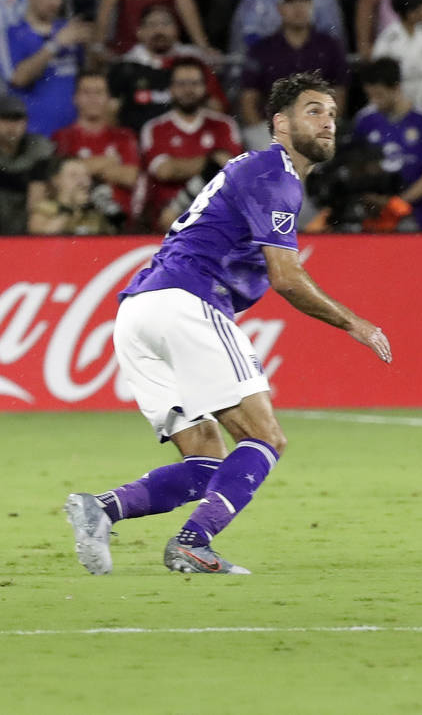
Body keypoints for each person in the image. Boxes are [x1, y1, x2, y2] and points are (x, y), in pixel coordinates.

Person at [64, 70, 392, 576]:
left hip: (138, 313)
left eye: (331, 113)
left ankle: (101, 509)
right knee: (266, 437)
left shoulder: (259, 171)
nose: (328, 122)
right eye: (313, 111)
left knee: (207, 463)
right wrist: (356, 324)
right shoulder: (273, 173)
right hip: (185, 303)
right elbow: (285, 277)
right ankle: (194, 544)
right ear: (280, 123)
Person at [238, 0, 349, 148]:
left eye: (304, 2)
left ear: (311, 6)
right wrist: (268, 134)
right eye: (291, 2)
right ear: (280, 8)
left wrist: (324, 126)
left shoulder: (330, 46)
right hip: (272, 129)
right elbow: (248, 99)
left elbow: (340, 92)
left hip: (318, 127)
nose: (298, 8)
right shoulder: (261, 49)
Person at [139, 57, 242, 232]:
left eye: (194, 83)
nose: (188, 90)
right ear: (171, 88)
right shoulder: (155, 128)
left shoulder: (224, 125)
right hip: (165, 224)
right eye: (181, 84)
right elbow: (165, 171)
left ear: (204, 87)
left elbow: (231, 173)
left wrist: (181, 166)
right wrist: (211, 164)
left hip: (215, 221)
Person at [353, 56, 422, 231]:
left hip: (418, 212)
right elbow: (355, 167)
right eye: (370, 96)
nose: (375, 101)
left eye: (379, 95)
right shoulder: (364, 120)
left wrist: (398, 202)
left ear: (396, 87)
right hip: (374, 214)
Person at [108, 4, 227, 133]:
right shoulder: (125, 66)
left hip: (191, 139)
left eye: (166, 23)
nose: (159, 30)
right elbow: (109, 112)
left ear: (177, 29)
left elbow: (216, 107)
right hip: (138, 143)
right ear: (139, 32)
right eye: (152, 24)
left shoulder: (194, 62)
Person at [6, 0, 90, 137]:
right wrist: (56, 44)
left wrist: (92, 46)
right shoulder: (13, 33)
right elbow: (18, 78)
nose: (56, 2)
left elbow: (87, 73)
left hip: (73, 134)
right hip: (34, 134)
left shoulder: (68, 29)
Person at [52, 70, 140, 227]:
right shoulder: (62, 137)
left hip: (121, 224)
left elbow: (130, 176)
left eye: (99, 92)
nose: (93, 99)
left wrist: (85, 168)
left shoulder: (125, 136)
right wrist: (110, 161)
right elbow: (63, 177)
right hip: (75, 223)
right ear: (75, 98)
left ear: (109, 98)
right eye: (86, 92)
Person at [372, 0, 422, 106]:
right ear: (406, 12)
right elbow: (380, 76)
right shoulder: (388, 38)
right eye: (417, 8)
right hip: (397, 99)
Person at [0, 91, 54, 234]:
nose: (12, 126)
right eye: (6, 119)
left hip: (25, 225)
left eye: (17, 119)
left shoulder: (38, 146)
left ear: (25, 122)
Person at [27, 153, 116, 233]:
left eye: (86, 175)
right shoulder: (43, 209)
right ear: (57, 180)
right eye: (74, 175)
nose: (83, 181)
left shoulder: (96, 212)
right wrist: (68, 209)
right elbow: (40, 238)